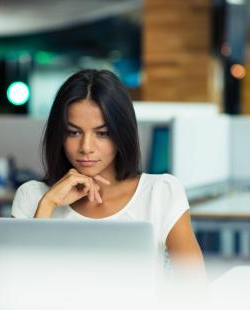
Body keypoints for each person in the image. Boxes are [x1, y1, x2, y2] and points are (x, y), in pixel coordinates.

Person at [11, 69, 206, 280]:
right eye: (74, 132)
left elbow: (195, 290)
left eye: (102, 133)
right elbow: (19, 288)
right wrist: (48, 204)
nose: (86, 147)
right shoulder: (32, 196)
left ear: (121, 133)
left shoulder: (160, 192)